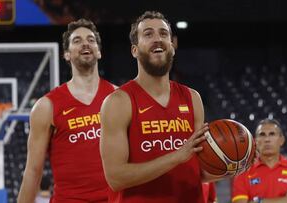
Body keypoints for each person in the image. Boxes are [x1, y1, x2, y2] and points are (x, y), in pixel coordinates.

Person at [100, 11, 219, 203]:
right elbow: (115, 177)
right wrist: (177, 156)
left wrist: (233, 163)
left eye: (164, 34)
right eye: (148, 34)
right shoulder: (118, 102)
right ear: (135, 50)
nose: (158, 39)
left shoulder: (192, 98)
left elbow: (198, 171)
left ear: (173, 45)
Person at [18, 18, 116, 203]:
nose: (85, 43)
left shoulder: (120, 98)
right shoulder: (46, 106)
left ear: (99, 52)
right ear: (67, 54)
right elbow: (33, 171)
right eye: (77, 40)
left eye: (91, 40)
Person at [231, 118, 287, 203]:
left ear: (281, 140)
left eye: (272, 134)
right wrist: (286, 200)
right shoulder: (243, 172)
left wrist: (258, 201)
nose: (267, 139)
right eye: (262, 134)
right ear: (255, 141)